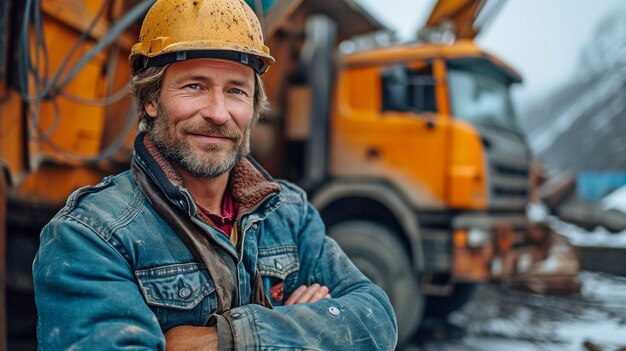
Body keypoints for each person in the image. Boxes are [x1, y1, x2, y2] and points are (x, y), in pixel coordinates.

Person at [32, 0, 397, 349]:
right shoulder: (91, 236)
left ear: (253, 107)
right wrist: (301, 328)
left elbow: (376, 321)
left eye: (236, 90)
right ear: (151, 99)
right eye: (195, 86)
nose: (218, 113)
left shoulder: (289, 214)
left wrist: (227, 340)